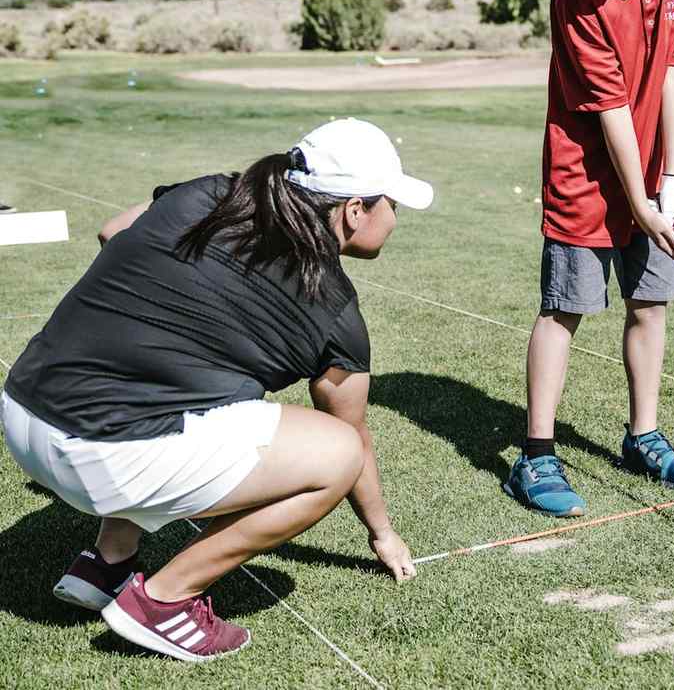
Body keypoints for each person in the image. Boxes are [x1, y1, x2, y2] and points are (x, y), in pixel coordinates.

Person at [1, 117, 433, 661]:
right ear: (353, 210)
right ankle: (163, 601)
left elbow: (114, 231)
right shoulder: (335, 310)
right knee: (336, 452)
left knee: (189, 397)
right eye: (390, 203)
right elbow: (351, 440)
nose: (396, 219)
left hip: (23, 411)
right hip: (99, 450)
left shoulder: (212, 192)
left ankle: (106, 565)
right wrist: (382, 534)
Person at [504, 0, 674, 518]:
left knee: (649, 304)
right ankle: (534, 454)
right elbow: (611, 108)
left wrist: (670, 182)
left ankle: (642, 437)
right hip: (585, 175)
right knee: (565, 308)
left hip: (650, 173)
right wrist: (640, 202)